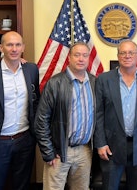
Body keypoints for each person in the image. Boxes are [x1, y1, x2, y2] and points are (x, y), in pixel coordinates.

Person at [94, 39, 137, 190]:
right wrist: (100, 143)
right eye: (123, 52)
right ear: (118, 56)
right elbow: (98, 113)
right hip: (111, 146)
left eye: (131, 52)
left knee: (136, 186)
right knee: (110, 186)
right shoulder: (104, 79)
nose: (127, 56)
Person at [0, 31, 40, 190]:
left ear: (23, 47)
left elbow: (35, 102)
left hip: (25, 140)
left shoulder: (31, 69)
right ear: (1, 47)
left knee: (22, 185)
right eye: (9, 45)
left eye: (18, 45)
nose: (14, 49)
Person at [35, 42, 97, 190]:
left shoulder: (95, 82)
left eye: (85, 55)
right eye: (77, 55)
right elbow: (41, 121)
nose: (81, 59)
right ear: (69, 57)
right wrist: (48, 152)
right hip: (60, 151)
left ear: (89, 58)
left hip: (85, 151)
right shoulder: (55, 83)